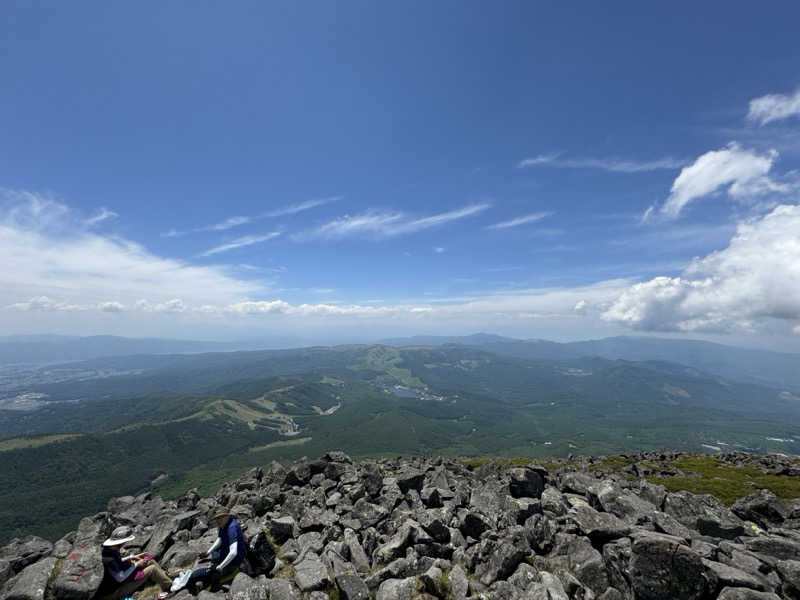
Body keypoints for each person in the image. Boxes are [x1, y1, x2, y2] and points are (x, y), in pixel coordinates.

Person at [97, 525, 172, 600]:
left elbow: (117, 562)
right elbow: (120, 578)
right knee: (152, 569)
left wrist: (130, 557)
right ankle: (170, 586)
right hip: (115, 592)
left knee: (150, 561)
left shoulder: (108, 550)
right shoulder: (110, 559)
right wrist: (136, 564)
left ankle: (165, 576)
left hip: (119, 584)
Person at [186, 510, 245, 594]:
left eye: (220, 518)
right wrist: (208, 552)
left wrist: (220, 567)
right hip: (225, 554)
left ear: (227, 516)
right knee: (214, 554)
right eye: (217, 518)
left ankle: (215, 586)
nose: (218, 520)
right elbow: (220, 539)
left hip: (233, 562)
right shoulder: (224, 524)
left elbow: (233, 552)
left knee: (194, 575)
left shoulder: (232, 528)